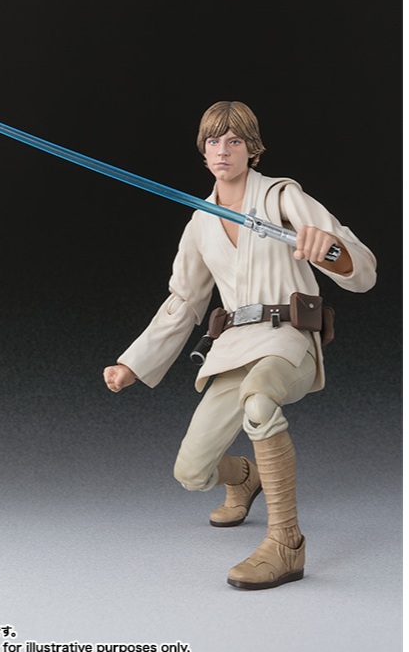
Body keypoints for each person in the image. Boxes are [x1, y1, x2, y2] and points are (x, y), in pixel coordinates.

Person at [103, 101, 376, 590]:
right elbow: (184, 302)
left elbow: (363, 269)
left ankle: (286, 542)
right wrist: (133, 363)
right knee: (192, 472)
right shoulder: (200, 222)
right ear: (203, 151)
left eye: (234, 140)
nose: (223, 150)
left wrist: (329, 250)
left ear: (252, 148)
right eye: (213, 141)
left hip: (287, 338)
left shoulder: (282, 197)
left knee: (260, 401)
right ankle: (247, 477)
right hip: (233, 347)